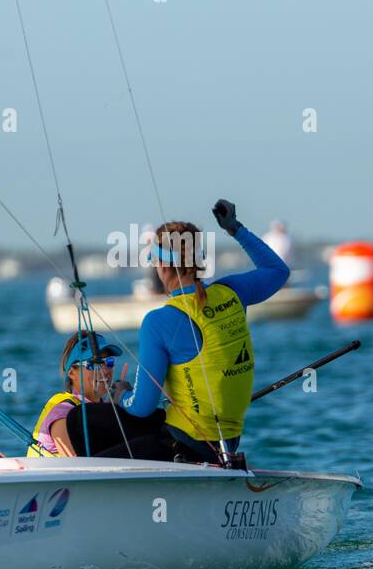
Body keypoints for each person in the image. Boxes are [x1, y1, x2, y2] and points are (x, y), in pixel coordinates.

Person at [121, 199, 288, 464]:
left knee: (99, 429)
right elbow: (278, 271)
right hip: (229, 441)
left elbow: (141, 407)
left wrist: (119, 395)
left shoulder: (158, 321)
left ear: (162, 265)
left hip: (183, 444)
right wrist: (234, 228)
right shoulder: (231, 291)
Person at [27, 331, 127, 457]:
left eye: (109, 362)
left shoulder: (102, 409)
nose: (105, 370)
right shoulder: (63, 411)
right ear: (72, 372)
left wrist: (122, 411)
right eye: (93, 364)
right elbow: (76, 465)